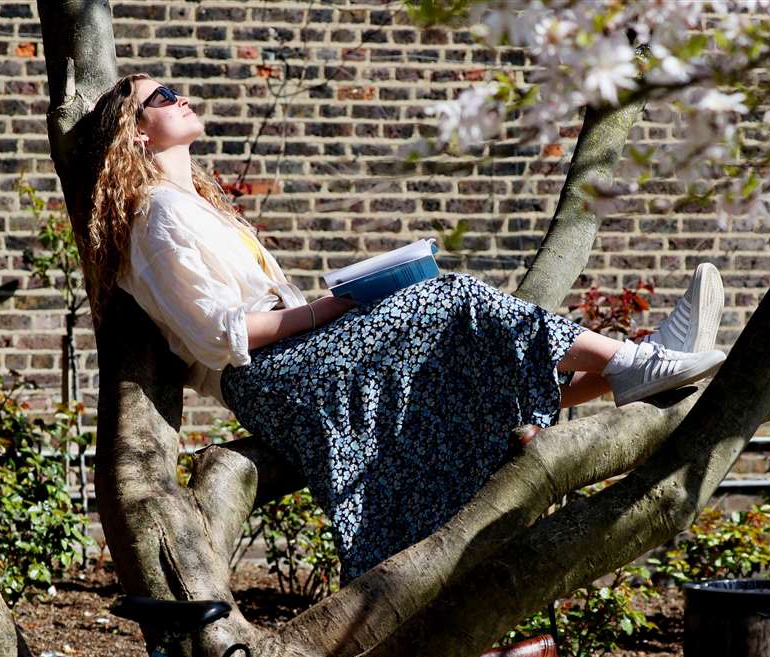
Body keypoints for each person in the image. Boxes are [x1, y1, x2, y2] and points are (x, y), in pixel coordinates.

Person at [84, 74, 727, 582]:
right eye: (163, 97)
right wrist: (338, 305)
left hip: (296, 360)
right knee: (448, 300)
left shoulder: (195, 205)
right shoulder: (158, 217)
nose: (183, 96)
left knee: (452, 376)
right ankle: (635, 362)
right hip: (272, 377)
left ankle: (630, 371)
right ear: (135, 134)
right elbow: (216, 332)